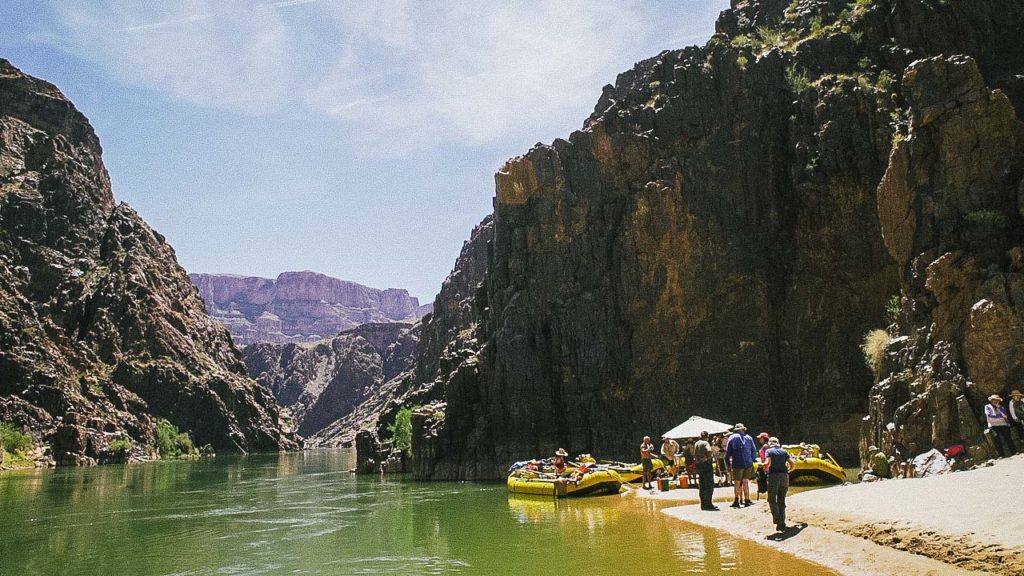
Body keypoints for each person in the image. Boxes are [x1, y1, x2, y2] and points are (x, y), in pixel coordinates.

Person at [764, 436, 793, 531]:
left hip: (774, 477)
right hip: (784, 476)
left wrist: (762, 465)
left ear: (770, 444)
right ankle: (782, 522)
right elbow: (792, 464)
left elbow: (767, 463)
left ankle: (778, 520)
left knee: (771, 499)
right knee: (781, 499)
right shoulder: (784, 451)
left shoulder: (769, 451)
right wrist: (789, 470)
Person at [725, 423, 757, 508]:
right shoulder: (749, 438)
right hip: (748, 463)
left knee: (737, 483)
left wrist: (728, 464)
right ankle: (747, 500)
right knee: (746, 482)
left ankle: (736, 500)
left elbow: (728, 453)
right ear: (743, 430)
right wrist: (752, 459)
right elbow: (754, 451)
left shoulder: (732, 438)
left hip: (737, 463)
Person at [693, 431, 718, 511]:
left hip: (699, 466)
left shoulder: (696, 443)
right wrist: (708, 457)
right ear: (707, 436)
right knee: (709, 485)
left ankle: (703, 504)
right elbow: (709, 451)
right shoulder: (706, 443)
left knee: (702, 485)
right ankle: (709, 504)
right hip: (706, 465)